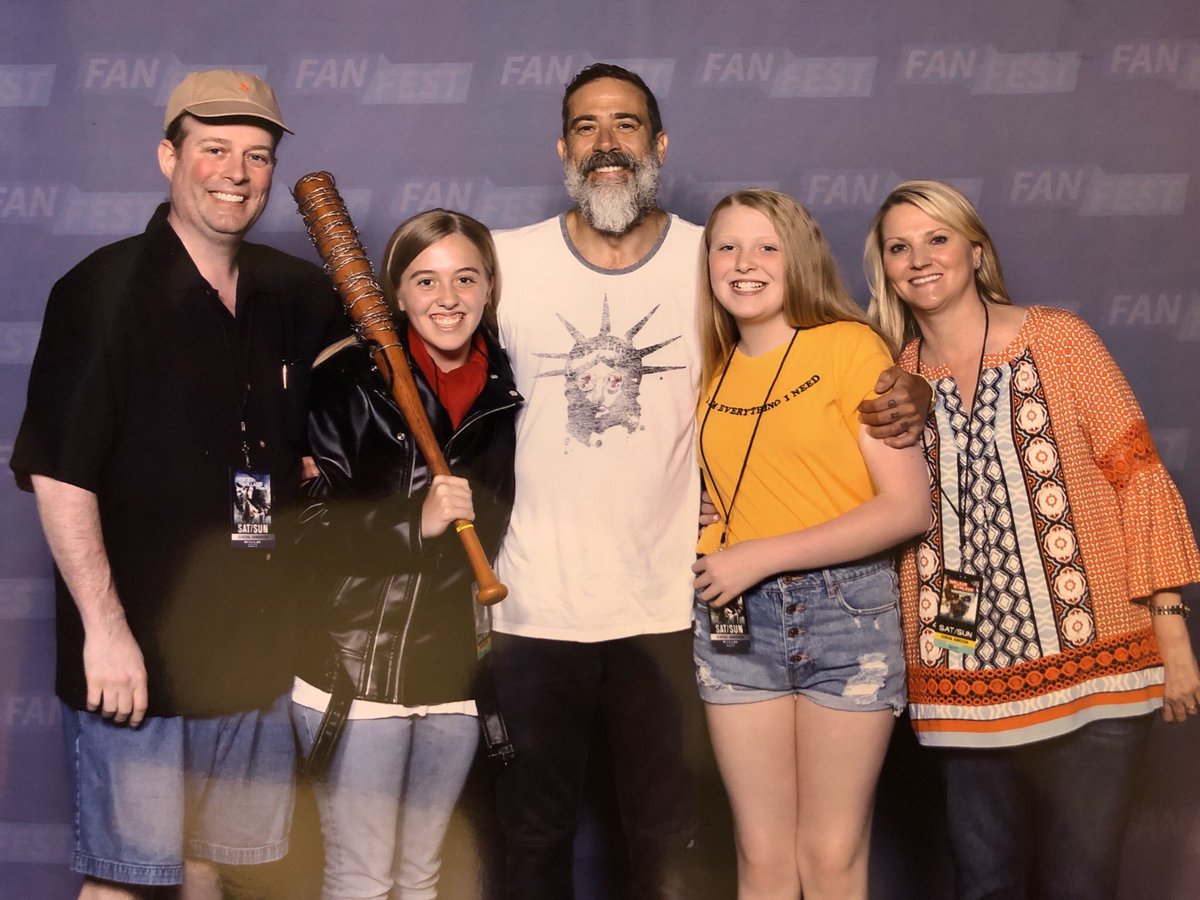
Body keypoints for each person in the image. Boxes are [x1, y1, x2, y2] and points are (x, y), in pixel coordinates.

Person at [486, 62, 931, 899]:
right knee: (537, 835)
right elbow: (426, 351)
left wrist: (914, 388)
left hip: (675, 603)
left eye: (626, 125)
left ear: (659, 145)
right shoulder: (505, 263)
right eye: (586, 126)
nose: (606, 143)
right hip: (537, 604)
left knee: (678, 842)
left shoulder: (713, 257)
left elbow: (823, 347)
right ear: (561, 146)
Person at [9, 70, 343, 898]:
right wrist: (106, 631)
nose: (236, 171)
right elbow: (59, 473)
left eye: (257, 155)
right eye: (214, 149)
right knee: (122, 881)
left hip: (248, 647)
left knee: (212, 869)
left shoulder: (289, 293)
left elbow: (313, 432)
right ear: (169, 156)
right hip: (140, 648)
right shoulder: (100, 293)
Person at [864, 179, 1200, 900]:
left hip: (1100, 664)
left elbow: (1135, 478)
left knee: (1082, 885)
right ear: (884, 267)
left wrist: (1172, 638)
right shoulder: (887, 378)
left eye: (938, 239)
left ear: (976, 252)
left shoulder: (1061, 340)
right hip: (961, 682)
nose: (919, 258)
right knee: (984, 883)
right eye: (899, 246)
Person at [691, 189, 929, 899]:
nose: (745, 263)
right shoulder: (713, 370)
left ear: (797, 258)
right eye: (727, 247)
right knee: (761, 855)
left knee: (830, 855)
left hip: (844, 614)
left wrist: (759, 555)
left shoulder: (849, 347)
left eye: (766, 247)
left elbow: (906, 508)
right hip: (732, 627)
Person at [290, 209, 520, 900]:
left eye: (464, 278)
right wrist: (412, 524)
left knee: (422, 878)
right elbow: (303, 532)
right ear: (396, 294)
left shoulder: (507, 389)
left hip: (455, 675)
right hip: (358, 670)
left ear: (488, 288)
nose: (446, 298)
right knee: (363, 877)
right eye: (425, 280)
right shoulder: (346, 383)